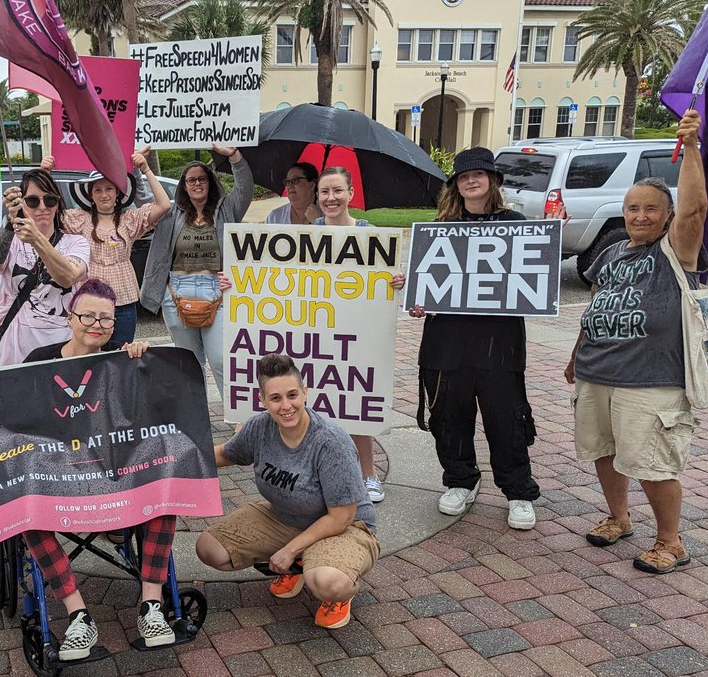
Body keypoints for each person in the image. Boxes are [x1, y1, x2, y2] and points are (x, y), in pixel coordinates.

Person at [0, 279, 173, 660]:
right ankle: (78, 614)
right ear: (70, 317)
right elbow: (4, 412)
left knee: (165, 490)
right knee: (25, 509)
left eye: (106, 319)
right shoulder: (40, 362)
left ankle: (152, 606)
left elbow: (151, 411)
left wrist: (144, 359)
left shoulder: (122, 358)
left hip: (111, 474)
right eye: (88, 316)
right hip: (58, 475)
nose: (96, 324)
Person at [565, 109, 707, 574]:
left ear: (666, 216)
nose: (640, 215)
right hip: (597, 372)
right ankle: (619, 518)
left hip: (650, 379)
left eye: (650, 209)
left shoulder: (676, 249)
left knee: (652, 463)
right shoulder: (610, 251)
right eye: (632, 208)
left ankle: (671, 542)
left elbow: (695, 208)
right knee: (604, 452)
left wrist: (690, 147)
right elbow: (597, 306)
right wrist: (575, 357)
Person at [409, 148, 550, 531]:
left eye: (479, 174)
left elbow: (532, 283)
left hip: (499, 343)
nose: (471, 181)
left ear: (494, 180)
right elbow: (425, 288)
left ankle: (518, 491)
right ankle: (460, 480)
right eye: (463, 176)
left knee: (506, 419)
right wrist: (417, 299)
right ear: (455, 185)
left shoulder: (517, 225)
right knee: (449, 419)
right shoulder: (440, 230)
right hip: (446, 343)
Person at [197, 354, 381, 629]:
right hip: (283, 517)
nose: (286, 406)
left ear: (305, 393)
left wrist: (289, 549)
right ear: (263, 400)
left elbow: (341, 517)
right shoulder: (260, 426)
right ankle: (300, 562)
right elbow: (227, 454)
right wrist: (179, 459)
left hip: (345, 527)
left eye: (292, 395)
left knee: (328, 583)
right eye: (276, 398)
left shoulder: (331, 442)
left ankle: (333, 589)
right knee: (210, 550)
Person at [310, 165, 402, 503]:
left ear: (350, 194)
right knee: (317, 407)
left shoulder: (370, 234)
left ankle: (368, 474)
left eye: (337, 191)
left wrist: (396, 281)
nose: (330, 198)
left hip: (355, 332)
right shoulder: (307, 233)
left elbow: (385, 278)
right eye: (324, 192)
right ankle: (321, 474)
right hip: (317, 330)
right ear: (317, 197)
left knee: (354, 404)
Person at [140, 145, 254, 403]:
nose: (197, 184)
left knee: (221, 359)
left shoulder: (227, 209)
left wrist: (234, 154)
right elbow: (141, 200)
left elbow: (246, 186)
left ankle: (236, 418)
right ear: (184, 185)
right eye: (191, 180)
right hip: (177, 292)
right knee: (188, 363)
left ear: (210, 182)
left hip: (217, 289)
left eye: (202, 178)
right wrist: (141, 167)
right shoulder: (170, 213)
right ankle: (197, 416)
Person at [58, 147, 173, 348]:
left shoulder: (130, 220)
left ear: (118, 193)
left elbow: (164, 205)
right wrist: (44, 172)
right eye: (98, 190)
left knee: (121, 353)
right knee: (88, 353)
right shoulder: (78, 219)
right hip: (88, 302)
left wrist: (145, 168)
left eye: (109, 188)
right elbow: (47, 212)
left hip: (124, 301)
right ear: (90, 195)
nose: (104, 194)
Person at [0, 168, 89, 367]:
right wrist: (10, 222)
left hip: (60, 346)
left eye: (50, 200)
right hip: (14, 347)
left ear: (58, 204)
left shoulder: (76, 243)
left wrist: (36, 239)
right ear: (22, 203)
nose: (42, 207)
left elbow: (68, 277)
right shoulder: (12, 241)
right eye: (33, 201)